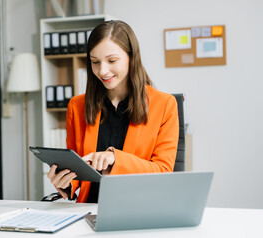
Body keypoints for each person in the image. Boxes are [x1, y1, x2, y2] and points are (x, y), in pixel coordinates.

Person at [47, 20, 179, 203]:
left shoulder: (165, 104)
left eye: (112, 61)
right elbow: (78, 168)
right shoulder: (76, 106)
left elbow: (163, 172)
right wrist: (65, 183)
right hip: (89, 209)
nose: (102, 71)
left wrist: (115, 158)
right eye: (95, 62)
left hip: (139, 207)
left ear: (131, 57)